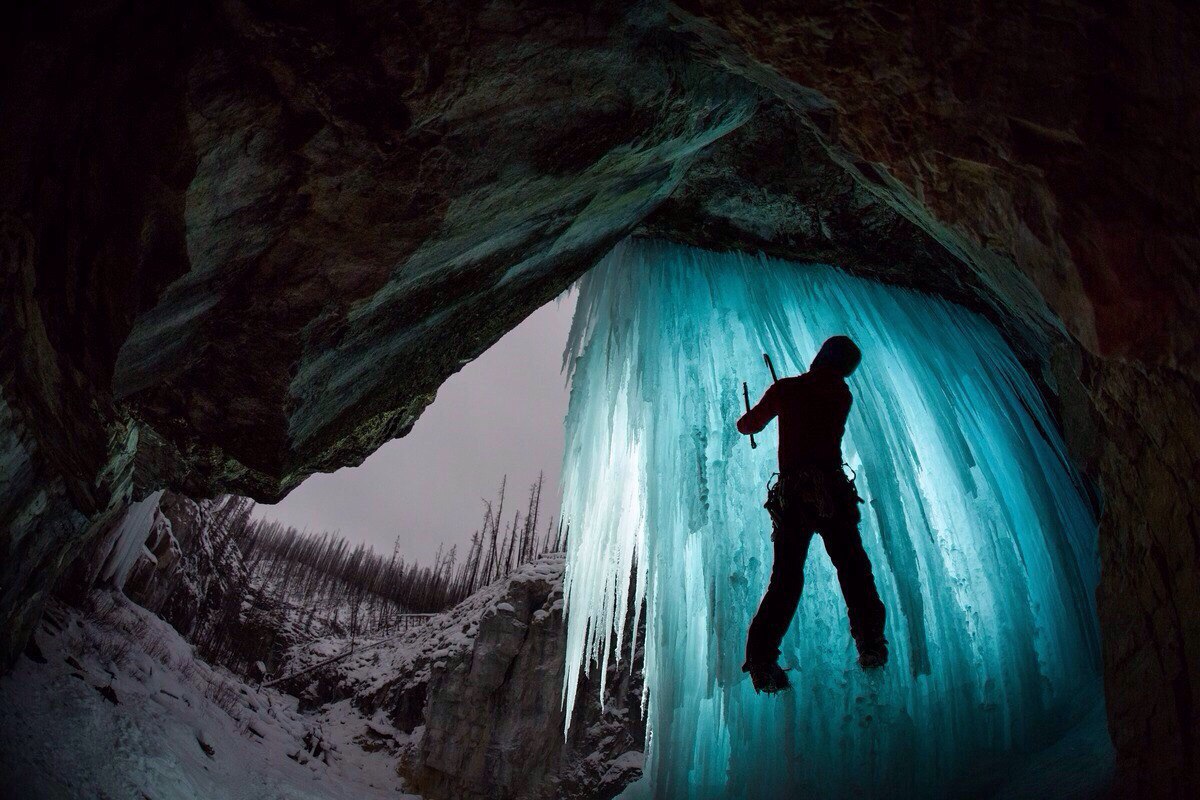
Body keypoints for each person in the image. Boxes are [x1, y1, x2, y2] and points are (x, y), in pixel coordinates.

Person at [737, 335, 888, 694]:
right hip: (833, 494)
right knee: (854, 569)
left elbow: (748, 425)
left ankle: (761, 660)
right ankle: (870, 644)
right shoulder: (841, 395)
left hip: (794, 498)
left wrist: (755, 414)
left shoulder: (786, 389)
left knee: (786, 579)